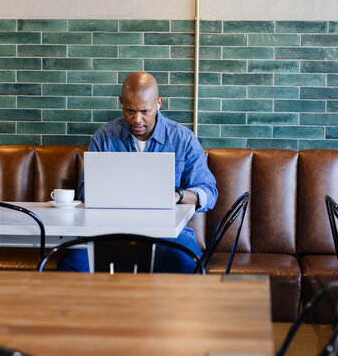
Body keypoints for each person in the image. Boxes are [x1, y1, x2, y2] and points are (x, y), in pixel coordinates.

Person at [58, 72, 218, 273]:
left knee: (188, 264)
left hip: (169, 234)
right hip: (107, 232)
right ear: (120, 102)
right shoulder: (104, 137)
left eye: (145, 111)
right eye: (130, 110)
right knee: (71, 265)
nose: (137, 119)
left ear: (159, 103)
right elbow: (84, 192)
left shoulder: (183, 139)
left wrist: (177, 195)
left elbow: (209, 193)